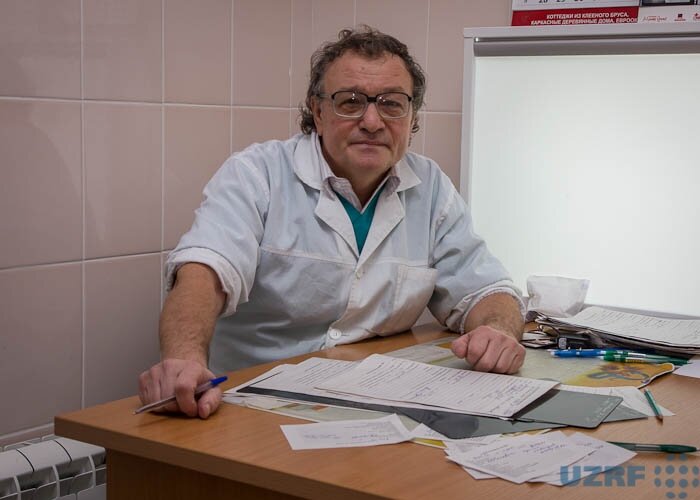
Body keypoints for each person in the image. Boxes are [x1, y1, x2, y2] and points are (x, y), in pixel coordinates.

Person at [139, 26, 525, 419]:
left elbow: (486, 289)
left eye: (392, 104)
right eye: (350, 102)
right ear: (318, 112)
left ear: (412, 119)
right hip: (249, 406)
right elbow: (205, 272)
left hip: (371, 407)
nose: (372, 121)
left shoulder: (431, 187)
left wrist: (497, 332)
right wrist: (184, 359)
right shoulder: (257, 174)